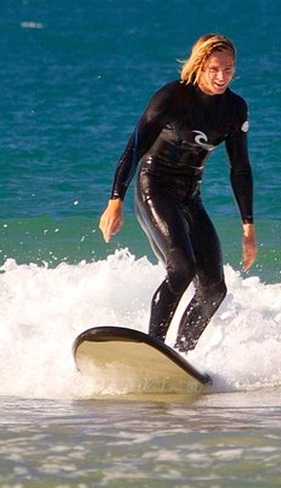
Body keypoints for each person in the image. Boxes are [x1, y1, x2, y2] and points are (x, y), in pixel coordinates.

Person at [98, 33, 257, 353]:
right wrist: (115, 200)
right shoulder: (173, 97)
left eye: (228, 69)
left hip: (189, 195)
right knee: (182, 268)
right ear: (200, 66)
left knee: (214, 289)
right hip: (154, 186)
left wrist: (248, 226)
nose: (222, 76)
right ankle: (154, 347)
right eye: (214, 68)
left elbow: (240, 168)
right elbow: (134, 148)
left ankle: (181, 356)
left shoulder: (234, 108)